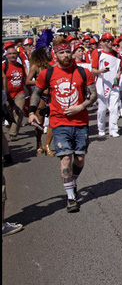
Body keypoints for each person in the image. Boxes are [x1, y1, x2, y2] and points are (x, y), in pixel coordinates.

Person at [28, 37, 97, 213]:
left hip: (80, 121)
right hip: (59, 122)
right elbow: (36, 93)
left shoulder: (83, 72)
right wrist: (31, 111)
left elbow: (93, 95)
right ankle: (71, 198)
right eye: (61, 52)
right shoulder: (47, 74)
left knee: (80, 159)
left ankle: (72, 182)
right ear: (55, 54)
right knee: (66, 158)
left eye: (68, 52)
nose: (65, 55)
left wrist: (81, 106)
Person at [26, 30, 56, 156]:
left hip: (51, 96)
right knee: (40, 121)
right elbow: (27, 81)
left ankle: (47, 145)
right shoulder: (35, 66)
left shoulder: (51, 66)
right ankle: (38, 142)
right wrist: (39, 83)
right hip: (41, 96)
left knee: (53, 122)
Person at [91, 33, 121, 138]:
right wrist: (101, 71)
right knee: (102, 109)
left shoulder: (116, 54)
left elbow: (119, 68)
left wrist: (118, 74)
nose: (110, 42)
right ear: (102, 42)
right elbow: (93, 70)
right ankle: (101, 128)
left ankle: (113, 129)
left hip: (114, 83)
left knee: (114, 107)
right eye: (107, 41)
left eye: (111, 40)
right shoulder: (97, 53)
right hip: (102, 82)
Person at [2, 45, 28, 141]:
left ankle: (13, 133)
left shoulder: (20, 66)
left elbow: (25, 80)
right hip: (6, 94)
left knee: (19, 111)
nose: (12, 55)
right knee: (8, 113)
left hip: (19, 92)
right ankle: (10, 124)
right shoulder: (4, 66)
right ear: (7, 55)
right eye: (10, 54)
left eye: (14, 53)